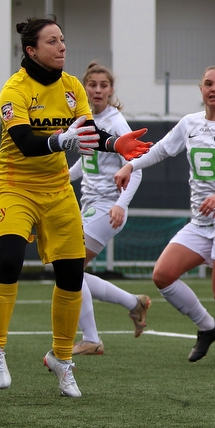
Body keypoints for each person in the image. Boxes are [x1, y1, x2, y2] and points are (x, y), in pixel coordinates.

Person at [0, 16, 151, 397]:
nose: (62, 47)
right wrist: (63, 139)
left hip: (58, 191)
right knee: (9, 261)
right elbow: (27, 143)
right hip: (16, 187)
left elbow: (89, 134)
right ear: (32, 51)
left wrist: (117, 145)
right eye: (53, 41)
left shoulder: (72, 86)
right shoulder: (15, 89)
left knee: (72, 273)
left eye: (63, 40)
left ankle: (63, 358)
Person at [114, 66, 215, 367]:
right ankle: (208, 327)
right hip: (200, 223)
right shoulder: (190, 123)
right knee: (162, 275)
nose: (214, 89)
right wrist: (130, 166)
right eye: (208, 84)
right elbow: (161, 150)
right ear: (201, 89)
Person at [68, 62, 151, 356]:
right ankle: (134, 303)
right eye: (93, 85)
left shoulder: (116, 123)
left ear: (111, 90)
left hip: (107, 208)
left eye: (104, 85)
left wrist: (120, 204)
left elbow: (136, 168)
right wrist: (62, 178)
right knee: (70, 270)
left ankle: (91, 339)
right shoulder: (84, 118)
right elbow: (87, 164)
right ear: (85, 88)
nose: (98, 90)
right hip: (88, 207)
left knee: (70, 268)